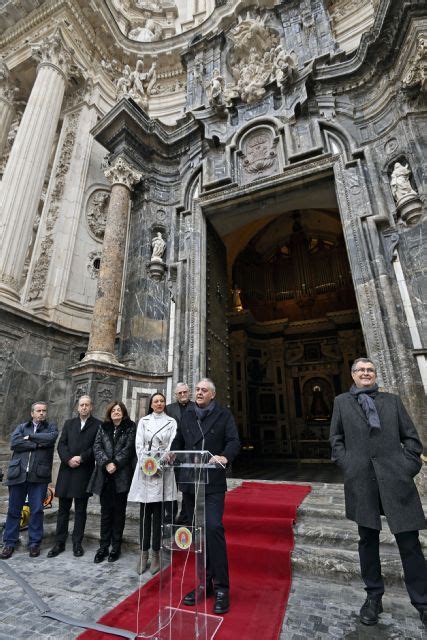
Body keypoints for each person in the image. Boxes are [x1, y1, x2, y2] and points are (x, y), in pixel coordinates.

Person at [330, 357, 427, 628]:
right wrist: (348, 466)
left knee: (410, 543)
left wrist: (406, 467)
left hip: (396, 480)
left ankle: (422, 602)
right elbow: (335, 439)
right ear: (352, 375)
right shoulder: (342, 403)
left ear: (375, 374)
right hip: (361, 480)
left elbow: (412, 439)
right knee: (367, 540)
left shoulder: (392, 401)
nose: (365, 373)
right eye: (360, 370)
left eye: (370, 370)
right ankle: (373, 597)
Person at [171, 378, 240, 615]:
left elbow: (233, 441)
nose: (198, 393)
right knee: (197, 535)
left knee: (213, 528)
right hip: (191, 483)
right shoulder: (188, 415)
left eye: (203, 390)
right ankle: (203, 584)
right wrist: (172, 453)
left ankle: (221, 588)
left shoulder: (224, 415)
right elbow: (179, 440)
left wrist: (224, 457)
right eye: (197, 389)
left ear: (212, 394)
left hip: (212, 484)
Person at [0, 401, 58, 559]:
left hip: (38, 476)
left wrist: (31, 437)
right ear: (32, 413)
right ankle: (9, 543)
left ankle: (34, 543)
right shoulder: (21, 427)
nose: (41, 413)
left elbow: (51, 439)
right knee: (14, 510)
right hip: (18, 473)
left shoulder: (50, 427)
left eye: (44, 411)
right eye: (38, 411)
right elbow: (14, 443)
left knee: (37, 510)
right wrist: (36, 444)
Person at [128, 392, 177, 575]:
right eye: (156, 401)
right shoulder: (143, 421)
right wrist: (147, 465)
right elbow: (139, 445)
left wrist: (160, 465)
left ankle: (156, 553)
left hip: (163, 471)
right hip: (146, 471)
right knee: (144, 514)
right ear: (151, 404)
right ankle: (143, 553)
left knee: (158, 515)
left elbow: (172, 446)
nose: (159, 403)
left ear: (165, 403)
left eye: (162, 401)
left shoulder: (171, 422)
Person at [47, 395, 101, 558]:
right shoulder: (69, 423)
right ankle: (59, 543)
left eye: (87, 405)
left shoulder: (98, 425)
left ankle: (77, 543)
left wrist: (82, 458)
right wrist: (68, 458)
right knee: (63, 509)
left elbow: (96, 447)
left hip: (84, 472)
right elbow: (61, 444)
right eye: (81, 405)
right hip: (67, 471)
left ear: (91, 407)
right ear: (77, 407)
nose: (84, 407)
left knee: (81, 510)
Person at [87, 401, 136, 563]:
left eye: (119, 410)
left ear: (123, 412)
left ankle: (116, 547)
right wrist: (107, 462)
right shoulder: (104, 427)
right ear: (110, 413)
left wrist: (115, 463)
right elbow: (97, 447)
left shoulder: (130, 427)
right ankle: (103, 547)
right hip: (105, 476)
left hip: (121, 476)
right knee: (106, 513)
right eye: (113, 410)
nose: (116, 412)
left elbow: (129, 449)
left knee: (119, 514)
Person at [166, 382, 195, 525]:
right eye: (180, 393)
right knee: (173, 487)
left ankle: (185, 516)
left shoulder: (197, 407)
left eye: (185, 392)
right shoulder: (169, 409)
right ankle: (171, 516)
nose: (183, 395)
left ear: (189, 392)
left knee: (188, 489)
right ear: (175, 395)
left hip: (191, 455)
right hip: (174, 454)